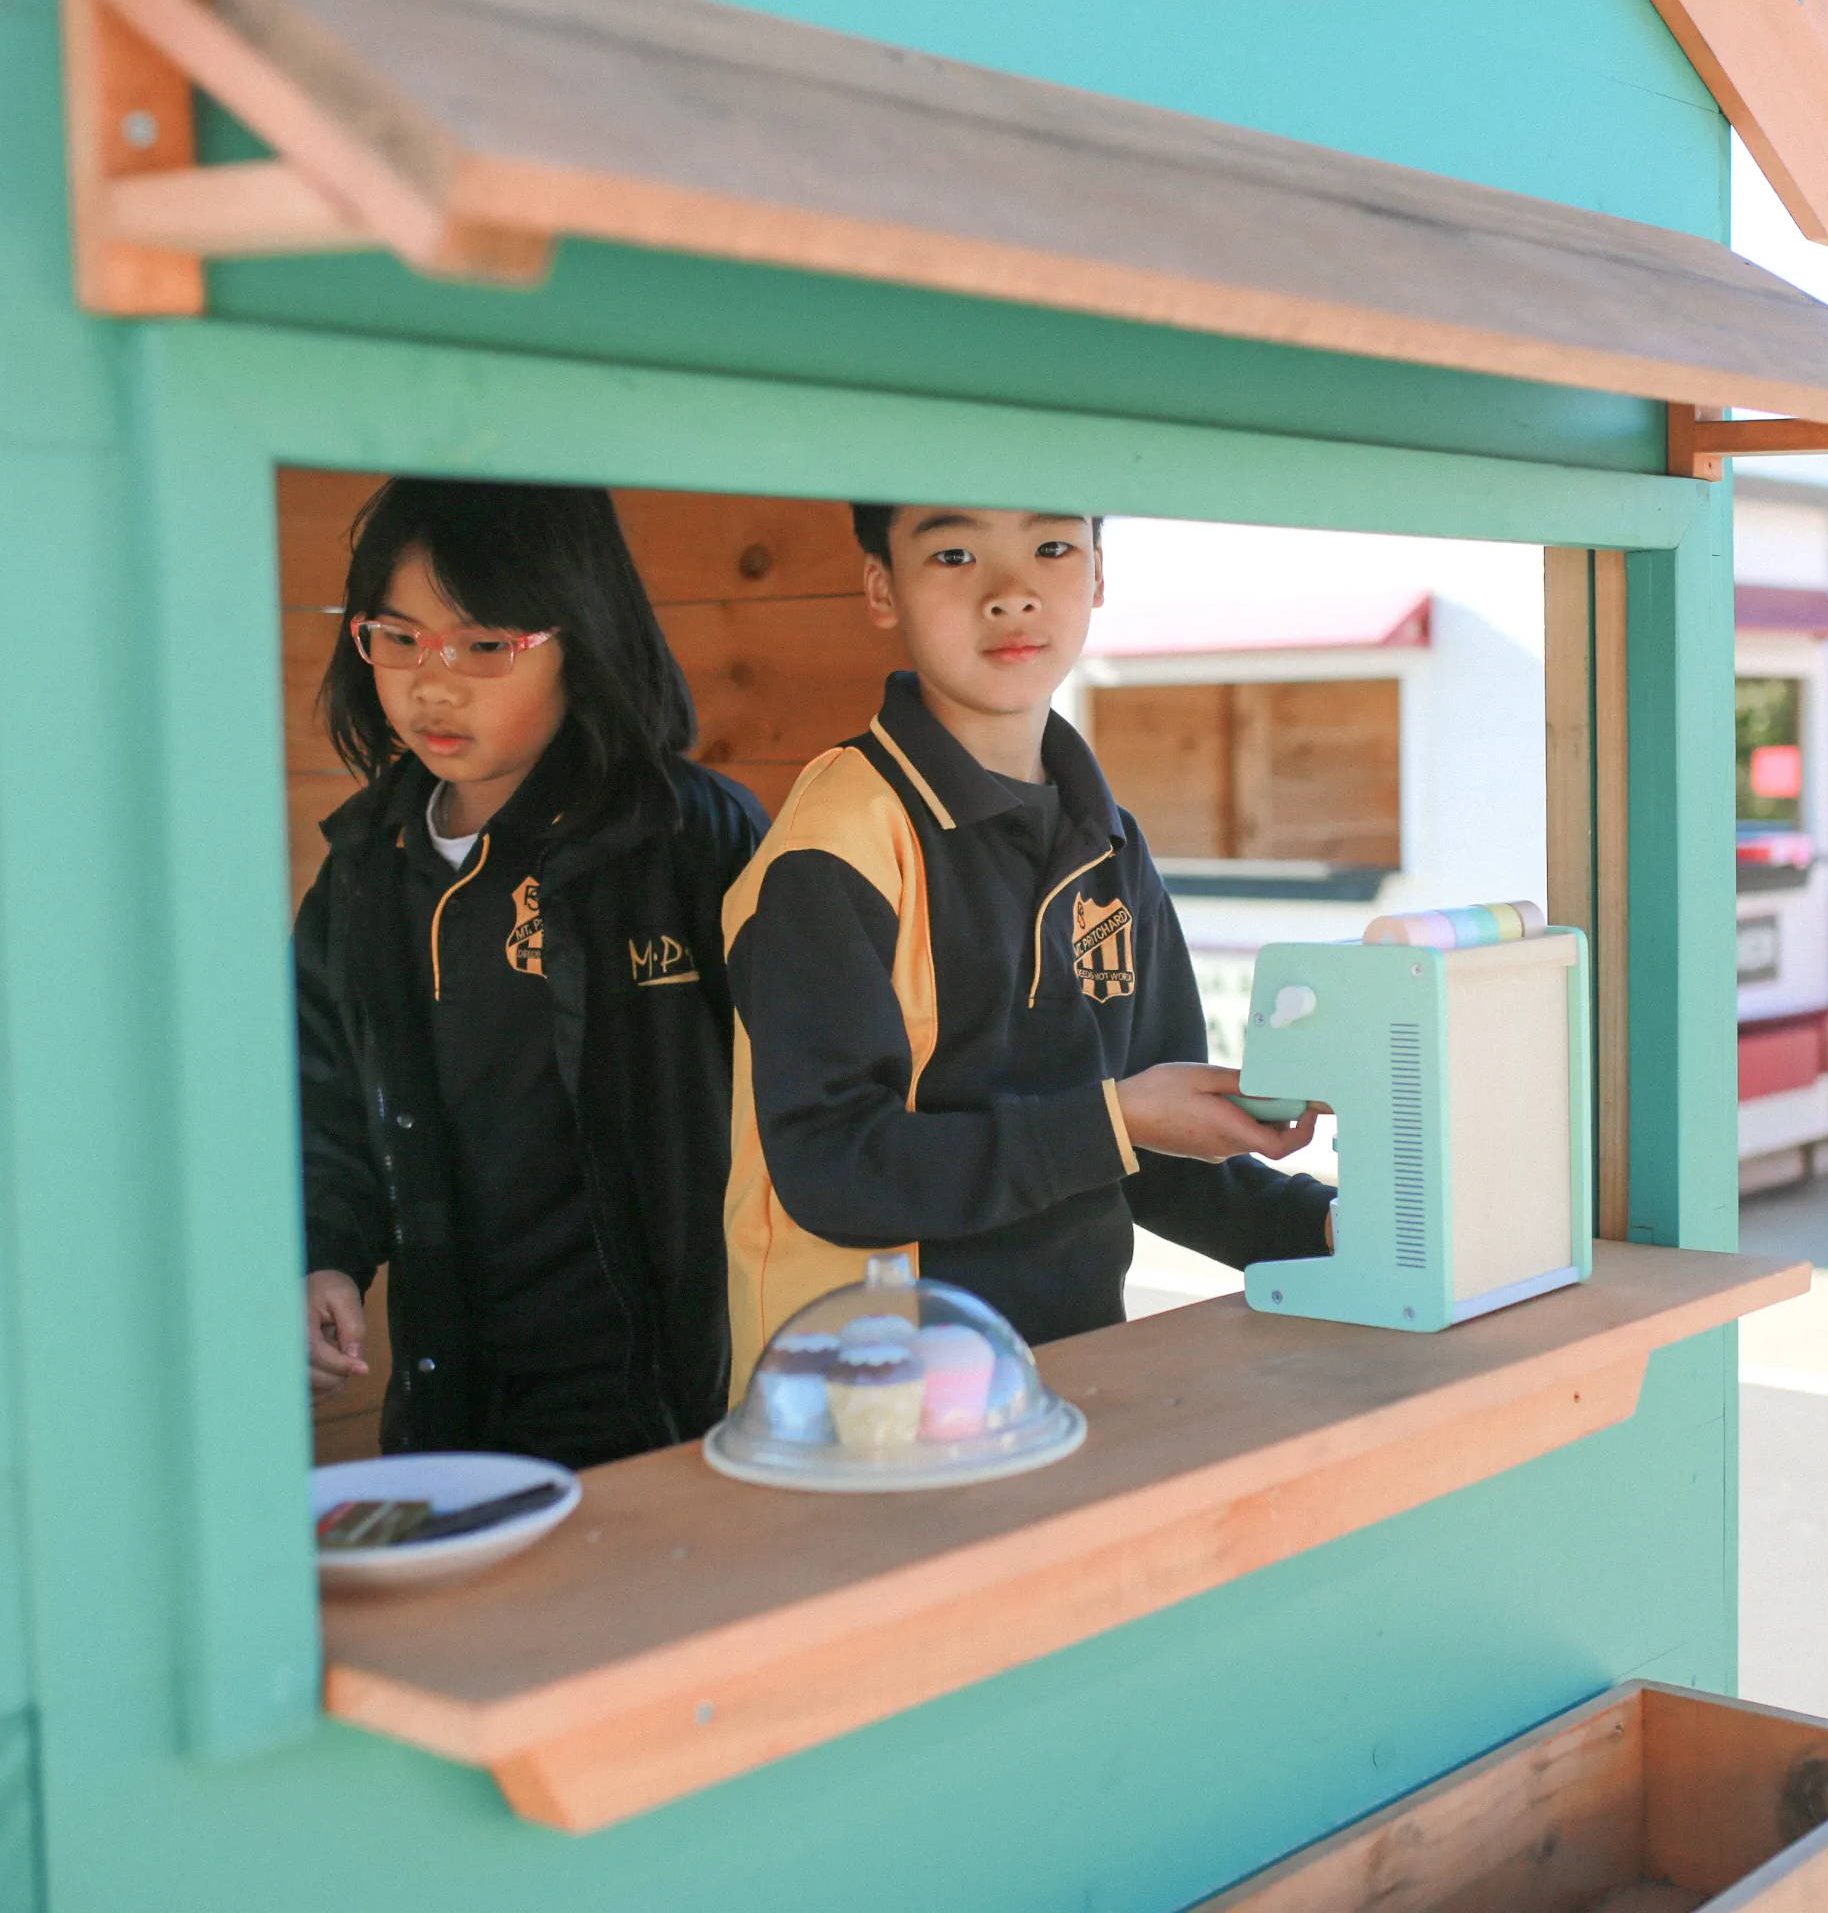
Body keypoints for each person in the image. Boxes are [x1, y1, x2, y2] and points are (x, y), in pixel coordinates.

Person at [721, 503, 1333, 1387]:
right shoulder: (836, 848)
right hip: (867, 1404)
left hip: (1066, 1379)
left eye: (1051, 548)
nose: (1011, 595)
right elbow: (835, 1171)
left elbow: (1150, 1161)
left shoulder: (1110, 840)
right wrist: (1117, 1120)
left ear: (1096, 573)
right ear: (882, 587)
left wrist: (1333, 1229)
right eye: (956, 554)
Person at [298, 478, 765, 1466]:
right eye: (398, 636)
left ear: (583, 638)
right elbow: (322, 1104)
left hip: (684, 1402)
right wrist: (320, 1256)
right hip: (456, 1403)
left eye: (483, 645)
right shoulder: (365, 872)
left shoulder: (692, 838)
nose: (433, 682)